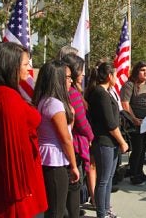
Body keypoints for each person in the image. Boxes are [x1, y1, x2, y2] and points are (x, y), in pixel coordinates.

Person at [0, 42, 47, 217]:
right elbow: (14, 146)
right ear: (10, 66)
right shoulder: (6, 96)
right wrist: (20, 192)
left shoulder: (4, 93)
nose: (29, 69)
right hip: (13, 191)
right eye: (25, 64)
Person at [33, 60, 80, 217]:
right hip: (54, 161)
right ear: (57, 79)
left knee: (56, 209)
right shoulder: (54, 103)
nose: (71, 80)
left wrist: (70, 119)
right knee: (57, 211)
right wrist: (74, 165)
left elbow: (65, 131)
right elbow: (66, 139)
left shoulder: (46, 100)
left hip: (50, 158)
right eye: (67, 77)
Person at [85, 62, 129, 218]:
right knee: (103, 180)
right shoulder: (100, 93)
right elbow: (110, 123)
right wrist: (122, 141)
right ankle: (101, 212)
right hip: (104, 141)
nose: (117, 77)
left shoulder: (106, 92)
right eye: (115, 74)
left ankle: (106, 208)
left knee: (109, 177)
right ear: (110, 76)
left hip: (111, 142)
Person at [61, 53, 94, 217]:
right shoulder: (72, 93)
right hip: (74, 145)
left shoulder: (69, 91)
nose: (83, 74)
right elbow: (81, 121)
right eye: (81, 70)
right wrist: (91, 136)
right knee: (74, 184)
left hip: (70, 144)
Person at [120, 61, 146, 185]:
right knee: (137, 149)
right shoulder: (129, 85)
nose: (145, 72)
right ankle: (134, 175)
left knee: (143, 149)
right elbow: (125, 104)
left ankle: (140, 172)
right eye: (142, 70)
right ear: (136, 71)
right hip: (136, 124)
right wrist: (134, 119)